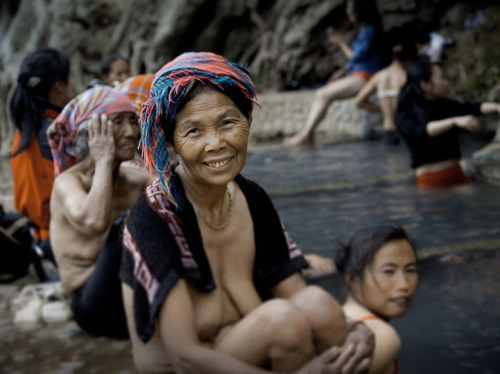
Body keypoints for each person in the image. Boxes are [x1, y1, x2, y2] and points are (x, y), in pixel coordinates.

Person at [120, 52, 374, 373]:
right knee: (281, 321)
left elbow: (296, 292)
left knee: (319, 306)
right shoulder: (156, 213)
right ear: (171, 141)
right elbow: (184, 354)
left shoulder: (251, 197)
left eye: (228, 123)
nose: (216, 144)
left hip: (244, 345)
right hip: (185, 366)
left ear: (248, 121)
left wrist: (356, 329)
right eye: (194, 131)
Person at [47, 85, 151, 338]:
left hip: (133, 293)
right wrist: (103, 159)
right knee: (123, 225)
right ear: (90, 134)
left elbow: (178, 209)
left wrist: (150, 156)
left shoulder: (136, 180)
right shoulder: (68, 184)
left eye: (133, 122)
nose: (130, 132)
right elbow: (94, 221)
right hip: (93, 303)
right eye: (117, 122)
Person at [284, 0, 385, 146]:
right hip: (357, 74)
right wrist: (343, 71)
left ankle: (306, 134)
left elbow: (356, 56)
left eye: (351, 8)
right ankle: (307, 134)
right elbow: (356, 61)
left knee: (323, 94)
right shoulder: (363, 30)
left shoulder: (370, 31)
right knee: (322, 92)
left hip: (366, 76)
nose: (349, 12)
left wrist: (341, 43)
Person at [396, 56, 500, 188]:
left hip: (457, 173)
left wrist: (496, 107)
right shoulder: (406, 114)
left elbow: (472, 108)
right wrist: (454, 121)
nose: (447, 82)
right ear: (425, 85)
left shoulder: (445, 105)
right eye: (442, 78)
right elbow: (420, 130)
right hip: (430, 182)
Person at [9, 48, 74, 249]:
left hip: (40, 231)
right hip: (61, 236)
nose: (74, 84)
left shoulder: (26, 126)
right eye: (71, 78)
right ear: (59, 85)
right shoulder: (55, 133)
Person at [334, 222, 418, 374]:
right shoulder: (380, 335)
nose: (403, 284)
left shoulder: (338, 318)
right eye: (388, 272)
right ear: (353, 280)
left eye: (410, 270)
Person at [355, 27, 428, 145]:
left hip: (388, 132)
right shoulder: (407, 77)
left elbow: (359, 101)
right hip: (406, 129)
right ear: (407, 59)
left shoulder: (378, 76)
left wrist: (381, 110)